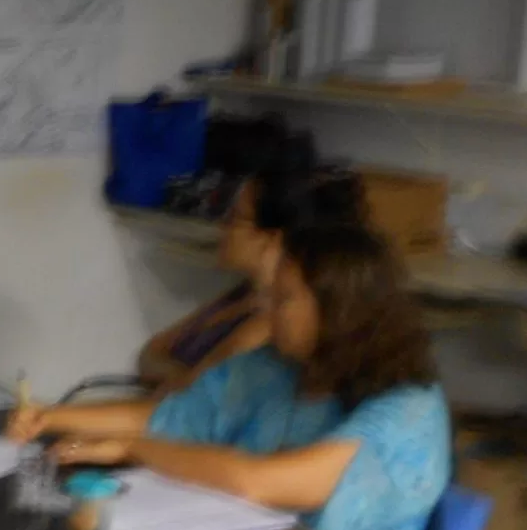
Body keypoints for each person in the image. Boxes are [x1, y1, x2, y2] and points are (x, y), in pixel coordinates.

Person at [11, 223, 450, 530]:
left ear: (339, 311)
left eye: (283, 299)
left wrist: (134, 448)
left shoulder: (407, 411)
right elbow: (172, 417)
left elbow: (256, 482)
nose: (266, 309)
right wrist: (50, 417)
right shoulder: (276, 366)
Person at [135, 168, 365, 393]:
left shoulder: (269, 325)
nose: (223, 226)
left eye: (235, 218)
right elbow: (151, 351)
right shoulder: (242, 293)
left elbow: (192, 392)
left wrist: (169, 375)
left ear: (271, 237)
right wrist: (177, 376)